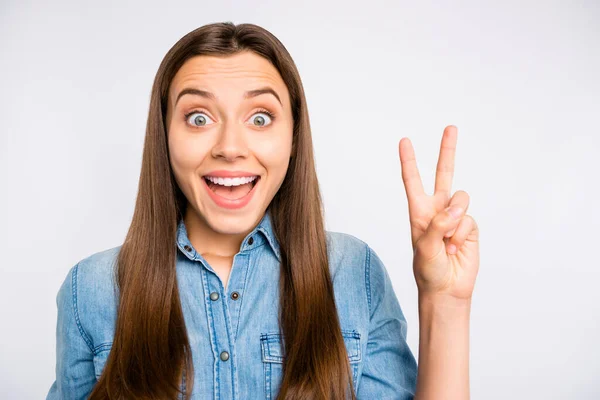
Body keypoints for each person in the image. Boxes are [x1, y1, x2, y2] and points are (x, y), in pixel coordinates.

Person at [47, 22, 479, 400]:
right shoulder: (91, 290)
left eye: (260, 118)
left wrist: (445, 300)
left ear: (294, 136)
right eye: (198, 118)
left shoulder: (353, 272)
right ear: (164, 135)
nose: (230, 148)